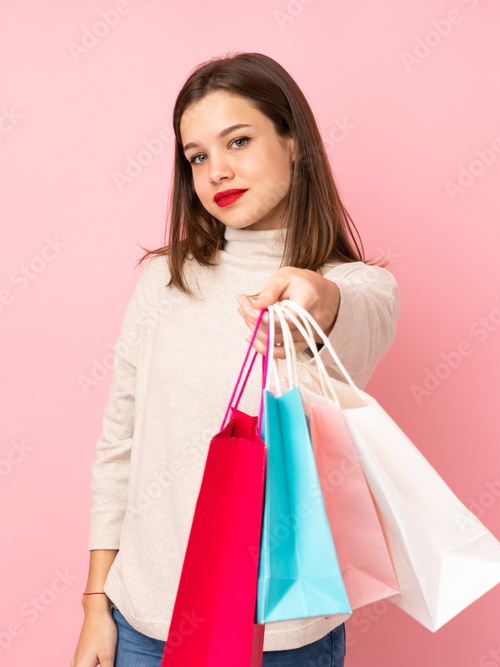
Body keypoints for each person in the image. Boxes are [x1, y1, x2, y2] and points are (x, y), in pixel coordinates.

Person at [71, 51, 401, 667]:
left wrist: (315, 298)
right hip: (144, 625)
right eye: (197, 156)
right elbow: (119, 446)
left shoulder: (357, 288)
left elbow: (351, 312)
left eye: (239, 141)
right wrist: (96, 606)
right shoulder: (164, 281)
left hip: (280, 639)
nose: (217, 170)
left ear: (294, 142)